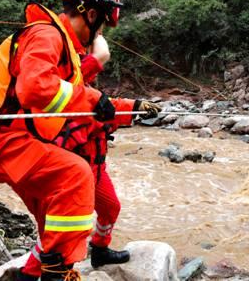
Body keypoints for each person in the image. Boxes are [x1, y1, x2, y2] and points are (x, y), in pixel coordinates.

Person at [0, 0, 121, 281]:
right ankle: (57, 272)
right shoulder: (47, 35)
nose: (99, 34)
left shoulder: (58, 44)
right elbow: (36, 88)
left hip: (9, 138)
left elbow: (64, 87)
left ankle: (29, 275)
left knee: (51, 212)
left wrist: (104, 93)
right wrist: (93, 95)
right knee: (76, 175)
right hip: (0, 138)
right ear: (91, 15)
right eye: (101, 25)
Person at [23, 31, 161, 277]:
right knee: (57, 232)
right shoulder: (61, 97)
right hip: (71, 176)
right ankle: (29, 273)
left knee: (111, 208)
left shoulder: (85, 92)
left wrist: (137, 107)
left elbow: (106, 105)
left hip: (96, 171)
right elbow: (94, 110)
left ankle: (99, 249)